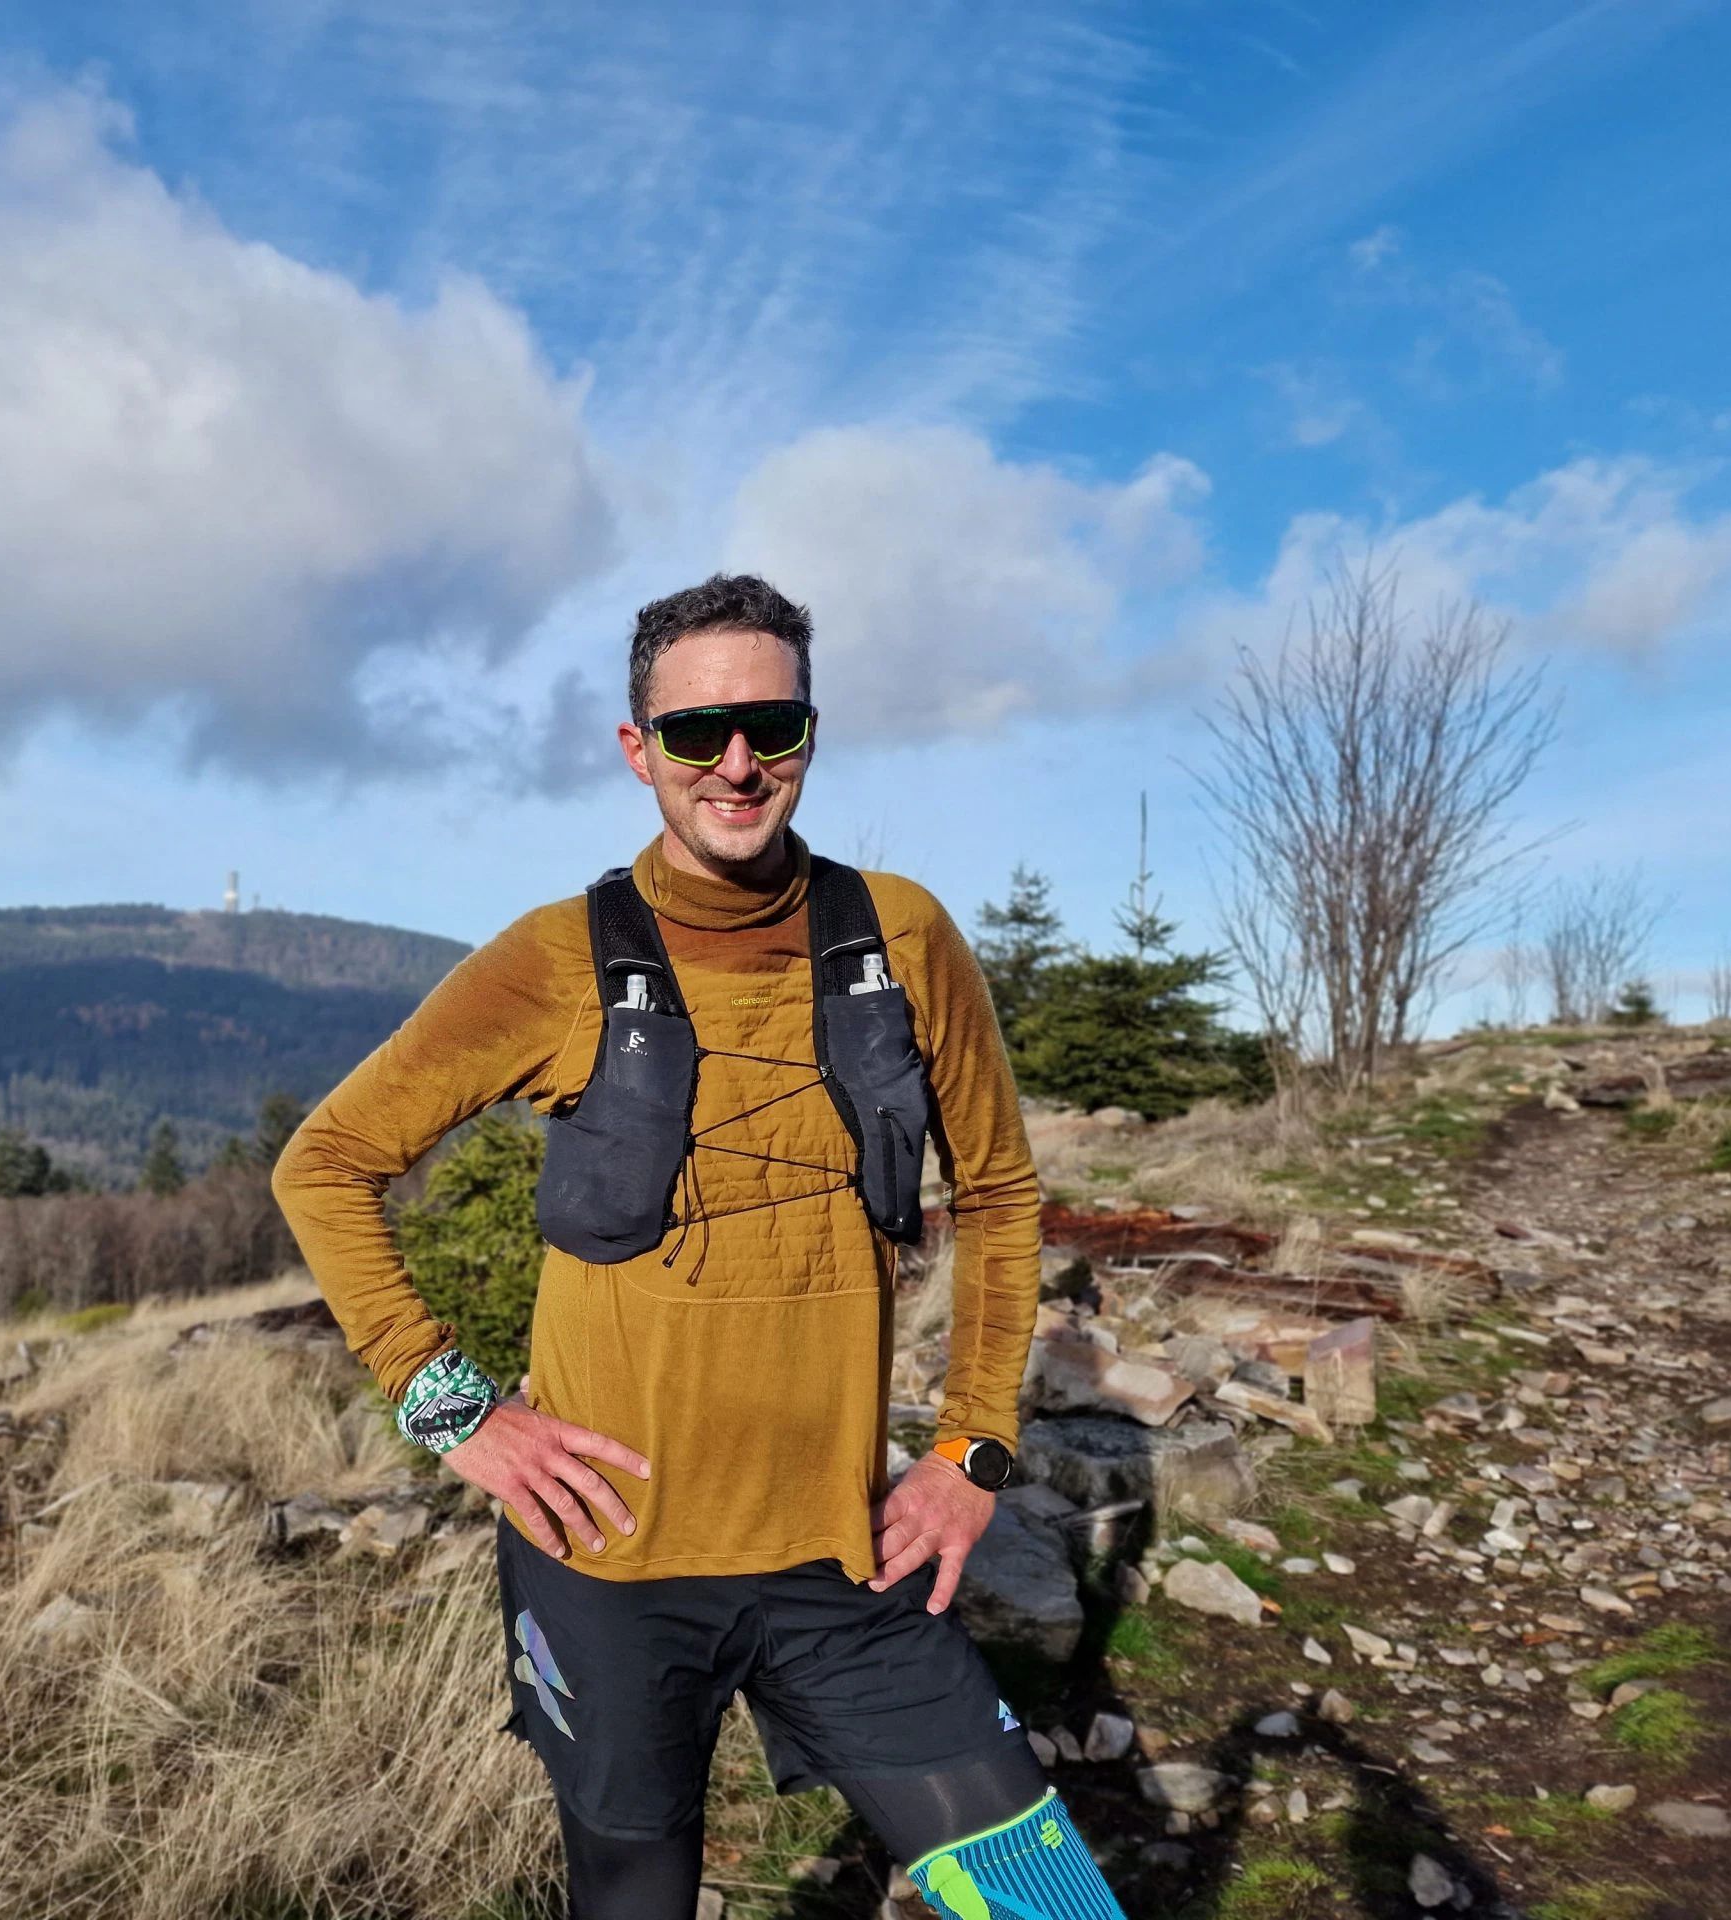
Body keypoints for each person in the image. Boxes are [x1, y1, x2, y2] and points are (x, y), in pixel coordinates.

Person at [273, 575, 1125, 1919]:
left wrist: (972, 1452)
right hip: (606, 1564)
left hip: (848, 1552)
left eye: (770, 726)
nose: (737, 764)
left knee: (1045, 1899)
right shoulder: (559, 960)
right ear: (638, 749)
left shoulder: (900, 935)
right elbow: (324, 1164)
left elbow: (1002, 1194)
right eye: (695, 732)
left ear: (809, 733)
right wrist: (453, 1410)